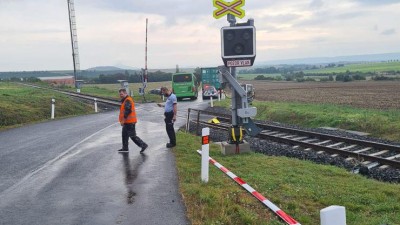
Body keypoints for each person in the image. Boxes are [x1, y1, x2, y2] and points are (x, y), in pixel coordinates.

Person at [118, 88, 148, 153]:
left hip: (130, 122)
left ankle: (143, 145)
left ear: (125, 93)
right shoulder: (125, 100)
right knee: (124, 135)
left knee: (132, 136)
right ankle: (125, 148)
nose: (121, 95)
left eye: (122, 94)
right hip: (127, 122)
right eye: (120, 94)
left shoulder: (127, 100)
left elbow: (128, 111)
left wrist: (123, 120)